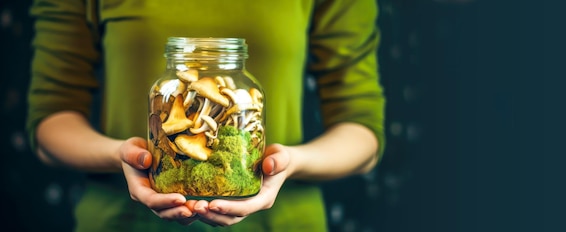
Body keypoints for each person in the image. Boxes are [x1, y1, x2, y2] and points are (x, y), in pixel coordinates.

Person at [27, 0, 386, 231]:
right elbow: (51, 118)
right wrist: (125, 155)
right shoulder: (166, 89)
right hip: (118, 223)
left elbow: (363, 129)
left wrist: (291, 161)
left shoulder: (243, 88)